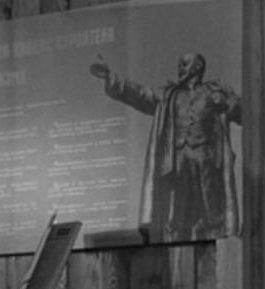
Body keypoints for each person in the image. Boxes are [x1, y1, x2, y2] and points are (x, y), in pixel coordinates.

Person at [89, 52, 241, 242]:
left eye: (184, 64)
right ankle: (177, 254)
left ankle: (220, 250)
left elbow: (242, 112)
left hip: (206, 161)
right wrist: (112, 78)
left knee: (212, 212)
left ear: (197, 67)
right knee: (178, 217)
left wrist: (230, 103)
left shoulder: (214, 93)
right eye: (179, 65)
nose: (180, 68)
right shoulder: (169, 95)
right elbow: (141, 94)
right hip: (178, 162)